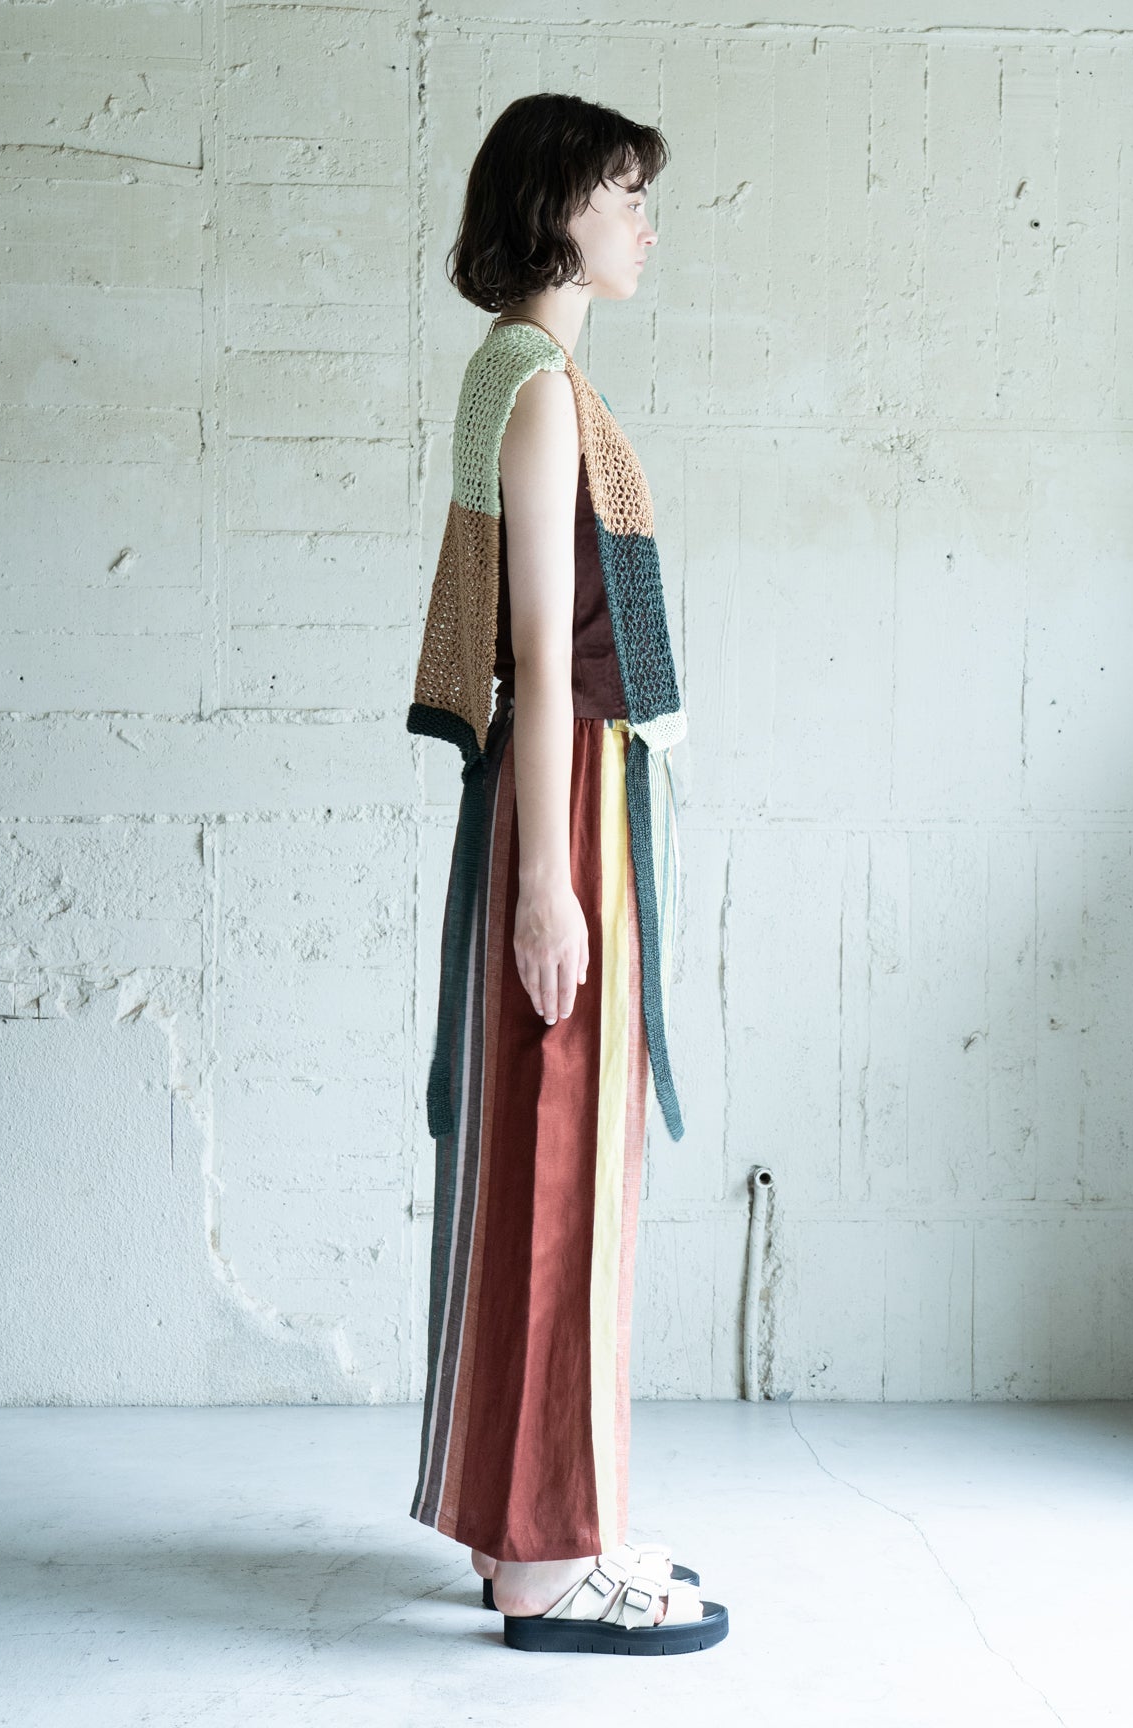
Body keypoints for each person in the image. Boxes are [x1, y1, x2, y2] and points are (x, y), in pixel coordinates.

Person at [404, 92, 728, 1657]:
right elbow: (540, 653)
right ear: (556, 211)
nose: (645, 222)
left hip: (561, 797)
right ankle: (547, 1555)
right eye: (622, 192)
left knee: (538, 1166)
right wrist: (551, 884)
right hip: (568, 802)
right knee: (564, 1172)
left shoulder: (523, 373)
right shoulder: (540, 389)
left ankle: (524, 1524)